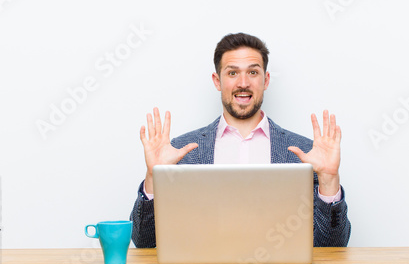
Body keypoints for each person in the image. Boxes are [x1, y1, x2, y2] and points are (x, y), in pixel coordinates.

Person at [130, 33, 351, 247]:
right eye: (232, 73)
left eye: (253, 72)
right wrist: (153, 176)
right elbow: (145, 243)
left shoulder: (305, 153)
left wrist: (329, 180)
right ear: (217, 81)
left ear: (266, 80)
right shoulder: (181, 153)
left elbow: (332, 246)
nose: (243, 83)